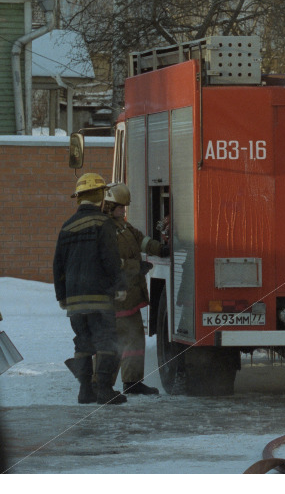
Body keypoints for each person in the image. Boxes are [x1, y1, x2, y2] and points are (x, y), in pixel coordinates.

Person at [53, 173, 128, 405]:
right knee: (106, 341)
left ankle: (85, 391)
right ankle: (104, 390)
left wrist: (62, 296)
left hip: (75, 300)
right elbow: (110, 258)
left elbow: (58, 265)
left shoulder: (67, 226)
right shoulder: (102, 223)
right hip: (98, 296)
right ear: (100, 196)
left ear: (79, 198)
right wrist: (120, 285)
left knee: (83, 342)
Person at [103, 182, 168, 395]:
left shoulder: (123, 226)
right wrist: (135, 267)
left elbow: (141, 240)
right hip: (115, 297)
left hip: (130, 296)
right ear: (108, 206)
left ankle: (132, 382)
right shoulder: (104, 230)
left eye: (124, 207)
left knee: (134, 339)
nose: (124, 210)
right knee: (113, 341)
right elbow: (109, 262)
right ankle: (102, 384)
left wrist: (161, 249)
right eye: (120, 207)